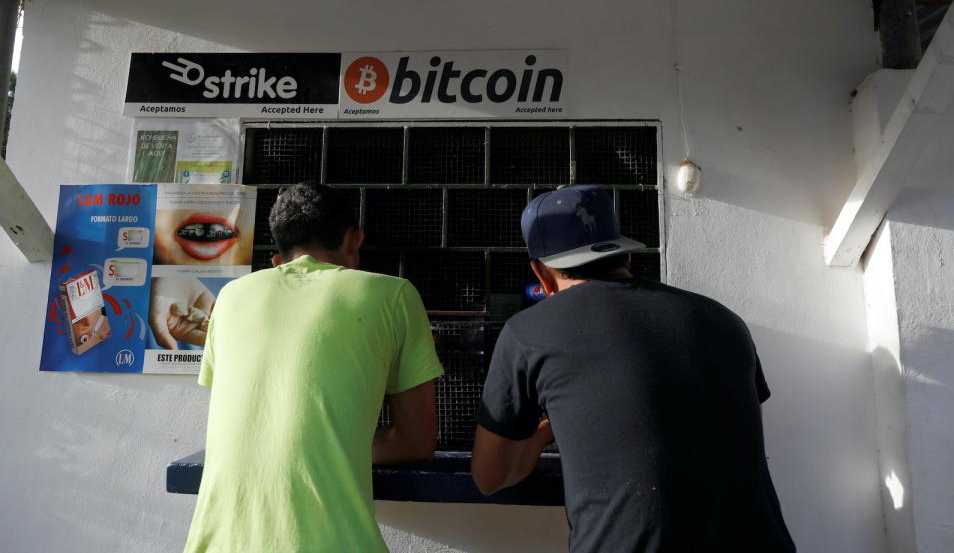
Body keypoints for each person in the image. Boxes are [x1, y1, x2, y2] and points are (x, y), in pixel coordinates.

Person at [471, 185, 795, 552]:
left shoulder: (528, 332)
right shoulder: (723, 319)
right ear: (624, 255)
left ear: (542, 275)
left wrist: (546, 429)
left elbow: (490, 476)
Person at [183, 183, 443, 553]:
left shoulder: (231, 296)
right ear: (354, 240)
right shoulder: (393, 295)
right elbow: (416, 444)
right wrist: (338, 443)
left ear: (279, 253)